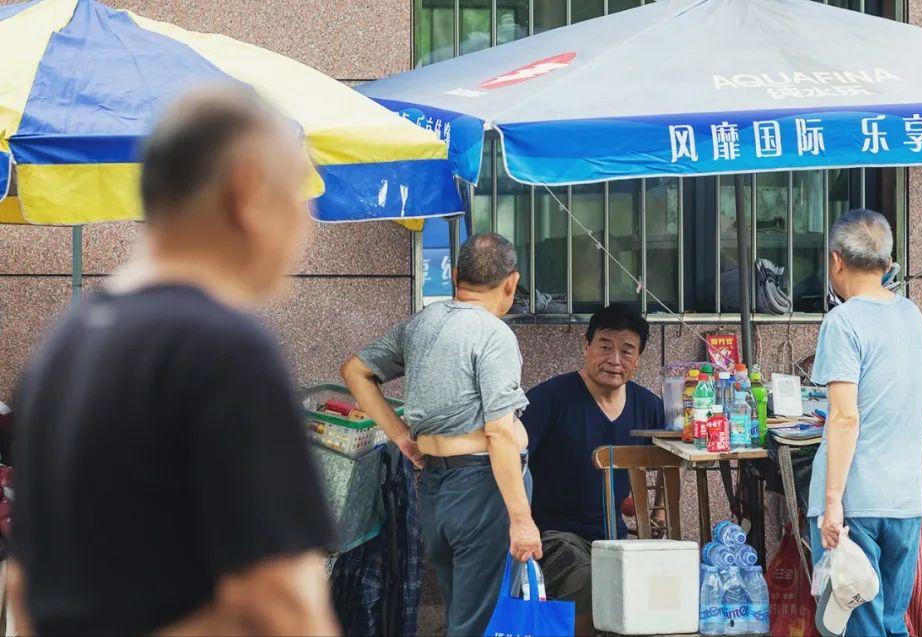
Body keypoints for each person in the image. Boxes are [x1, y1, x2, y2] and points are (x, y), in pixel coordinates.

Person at [10, 85, 338, 635]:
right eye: (298, 197)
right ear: (246, 191)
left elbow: (23, 583)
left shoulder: (62, 345)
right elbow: (279, 596)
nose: (307, 224)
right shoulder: (224, 350)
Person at [340, 233, 541, 637]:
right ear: (511, 283)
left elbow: (354, 371)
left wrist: (400, 436)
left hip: (435, 487)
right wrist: (521, 520)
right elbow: (500, 431)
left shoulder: (420, 323)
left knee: (460, 616)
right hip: (484, 488)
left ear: (453, 276)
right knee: (479, 623)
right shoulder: (494, 334)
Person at [808, 208, 922, 637]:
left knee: (853, 626)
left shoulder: (842, 321)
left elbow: (844, 417)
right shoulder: (912, 316)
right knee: (892, 624)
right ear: (888, 264)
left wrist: (833, 503)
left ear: (836, 260)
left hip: (856, 504)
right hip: (906, 503)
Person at [521, 304, 664, 636]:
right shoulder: (549, 399)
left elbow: (672, 455)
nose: (614, 359)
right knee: (590, 585)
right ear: (586, 347)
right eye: (604, 346)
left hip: (615, 538)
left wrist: (654, 512)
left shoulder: (648, 406)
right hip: (553, 537)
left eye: (626, 351)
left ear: (638, 358)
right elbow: (512, 457)